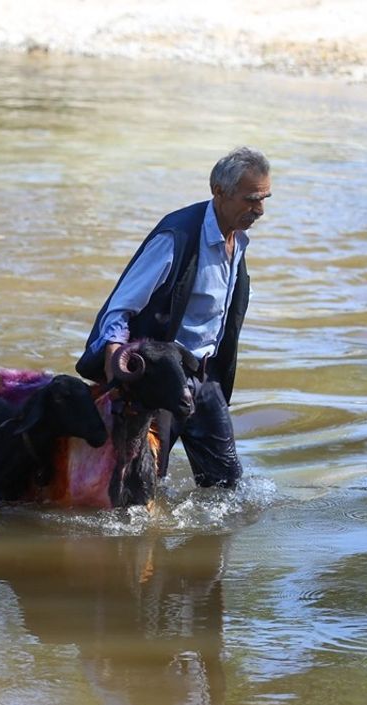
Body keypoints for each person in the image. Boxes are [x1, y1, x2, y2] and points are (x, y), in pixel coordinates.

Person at [75, 147, 271, 489]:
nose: (260, 210)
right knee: (141, 490)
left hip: (205, 378)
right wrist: (114, 355)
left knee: (227, 487)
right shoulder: (176, 237)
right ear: (219, 192)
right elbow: (120, 307)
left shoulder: (238, 240)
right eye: (251, 199)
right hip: (162, 380)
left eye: (265, 198)